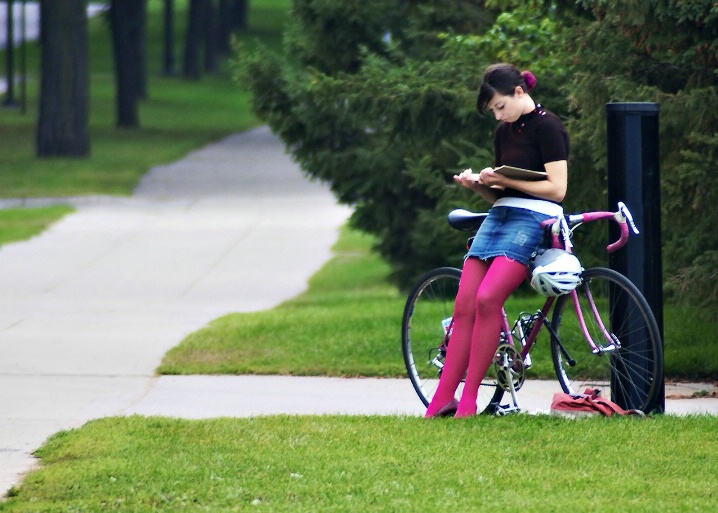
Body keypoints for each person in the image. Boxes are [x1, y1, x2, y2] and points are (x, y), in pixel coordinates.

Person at [425, 63, 569, 418]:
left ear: (519, 93)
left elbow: (558, 189)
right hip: (501, 214)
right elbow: (500, 196)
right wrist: (480, 185)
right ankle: (442, 399)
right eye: (493, 111)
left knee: (488, 298)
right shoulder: (504, 133)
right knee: (464, 305)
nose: (498, 116)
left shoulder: (548, 126)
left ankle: (469, 401)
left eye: (500, 107)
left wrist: (509, 181)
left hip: (534, 217)